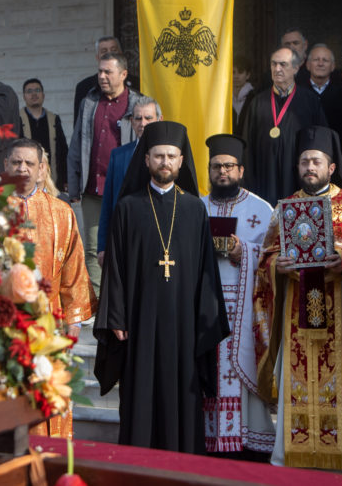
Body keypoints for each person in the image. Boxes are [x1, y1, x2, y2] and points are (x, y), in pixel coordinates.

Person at [94, 121, 229, 453]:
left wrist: (205, 318)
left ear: (181, 161)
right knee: (139, 392)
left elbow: (206, 272)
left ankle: (183, 465)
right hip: (139, 320)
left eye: (171, 156)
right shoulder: (127, 208)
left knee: (182, 393)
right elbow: (115, 268)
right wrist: (116, 315)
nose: (165, 162)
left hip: (183, 324)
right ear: (146, 160)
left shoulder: (195, 210)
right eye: (158, 156)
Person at [254, 125, 342, 471]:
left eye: (316, 161)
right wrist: (280, 266)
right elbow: (266, 258)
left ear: (331, 167)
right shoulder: (285, 208)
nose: (309, 168)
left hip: (339, 310)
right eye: (304, 162)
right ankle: (293, 451)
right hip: (296, 311)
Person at [3, 139, 96, 438]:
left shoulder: (61, 212)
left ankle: (50, 457)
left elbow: (74, 267)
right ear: (6, 167)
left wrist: (73, 318)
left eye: (30, 163)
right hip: (4, 320)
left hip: (50, 320)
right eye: (16, 162)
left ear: (42, 169)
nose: (23, 169)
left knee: (48, 391)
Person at [199, 134, 276, 457]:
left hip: (246, 309)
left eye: (229, 166)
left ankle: (248, 441)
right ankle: (209, 438)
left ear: (241, 170)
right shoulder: (196, 206)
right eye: (216, 167)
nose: (222, 173)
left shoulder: (261, 208)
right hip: (206, 308)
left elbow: (274, 256)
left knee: (241, 369)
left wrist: (243, 251)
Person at [68, 52, 145, 294]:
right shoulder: (89, 102)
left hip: (127, 187)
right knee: (93, 247)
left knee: (129, 244)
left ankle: (128, 297)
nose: (101, 76)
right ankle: (99, 301)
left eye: (107, 72)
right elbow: (77, 141)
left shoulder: (139, 104)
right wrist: (73, 183)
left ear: (123, 74)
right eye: (100, 71)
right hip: (94, 186)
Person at [238, 47, 327, 205]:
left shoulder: (310, 101)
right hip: (264, 178)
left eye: (283, 64)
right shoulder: (258, 102)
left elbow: (321, 144)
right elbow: (247, 146)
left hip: (296, 179)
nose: (277, 69)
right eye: (274, 64)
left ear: (295, 68)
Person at [96, 98, 161, 267]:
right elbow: (108, 204)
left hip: (159, 239)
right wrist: (102, 247)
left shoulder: (168, 158)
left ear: (159, 120)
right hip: (125, 239)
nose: (143, 123)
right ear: (131, 122)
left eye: (148, 118)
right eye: (138, 118)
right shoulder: (118, 155)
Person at [19, 78, 68, 193]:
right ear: (24, 97)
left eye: (37, 90)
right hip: (26, 179)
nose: (34, 94)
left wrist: (66, 179)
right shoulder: (18, 119)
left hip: (53, 179)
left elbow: (63, 151)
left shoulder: (53, 119)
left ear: (43, 95)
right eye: (29, 91)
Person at [72, 36, 140, 119]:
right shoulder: (84, 87)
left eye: (114, 50)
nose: (109, 54)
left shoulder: (136, 83)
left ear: (121, 53)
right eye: (104, 51)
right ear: (97, 57)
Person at [302, 43, 342, 141]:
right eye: (316, 60)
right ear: (308, 65)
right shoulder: (299, 93)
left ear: (333, 66)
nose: (320, 64)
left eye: (325, 60)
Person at [232, 54, 255, 129]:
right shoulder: (223, 98)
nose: (236, 76)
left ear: (248, 75)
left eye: (240, 72)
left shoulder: (255, 98)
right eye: (233, 72)